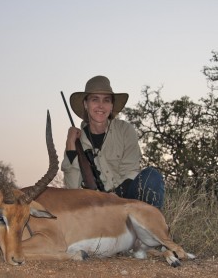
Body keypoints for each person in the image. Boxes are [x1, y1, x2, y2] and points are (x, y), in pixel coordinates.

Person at [61, 75, 165, 209]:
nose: (100, 105)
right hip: (95, 207)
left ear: (111, 106)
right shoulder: (76, 141)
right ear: (85, 104)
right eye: (95, 99)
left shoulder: (125, 130)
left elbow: (130, 171)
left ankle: (152, 227)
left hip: (125, 200)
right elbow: (72, 188)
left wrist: (113, 198)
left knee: (152, 176)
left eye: (106, 100)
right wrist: (70, 146)